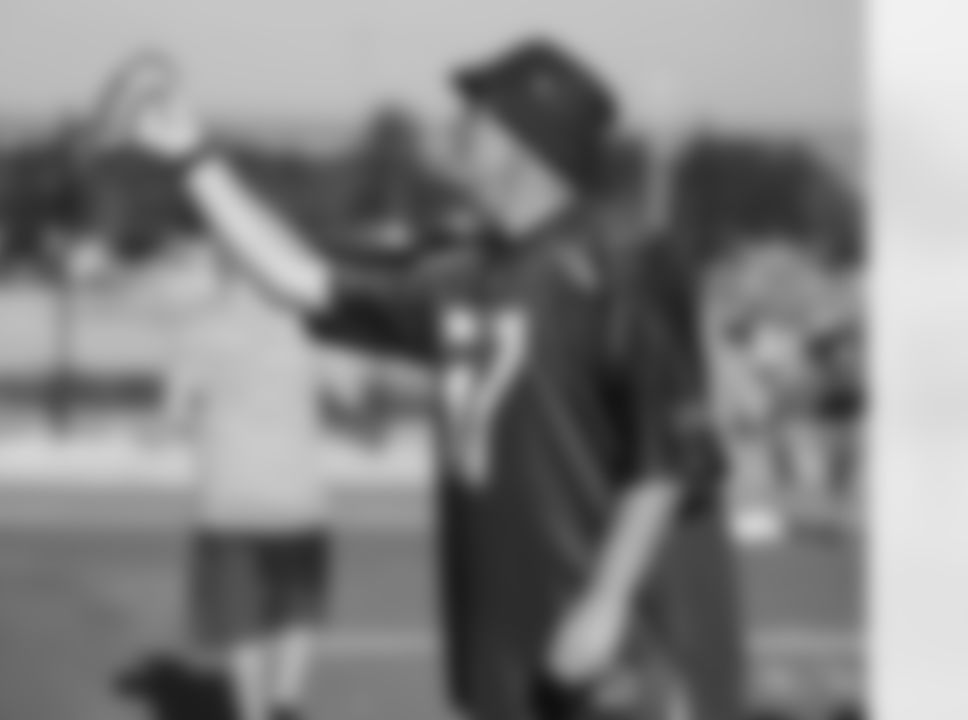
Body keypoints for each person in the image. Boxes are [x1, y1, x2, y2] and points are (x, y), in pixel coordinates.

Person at [122, 37, 745, 720]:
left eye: (476, 115)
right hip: (505, 640)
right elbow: (300, 278)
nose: (455, 128)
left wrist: (605, 602)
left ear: (523, 142)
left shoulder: (624, 265)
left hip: (613, 653)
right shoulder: (462, 270)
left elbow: (667, 460)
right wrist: (192, 159)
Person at [159, 240, 331, 720]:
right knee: (296, 611)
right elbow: (352, 394)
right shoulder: (306, 327)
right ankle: (286, 705)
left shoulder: (198, 330)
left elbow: (174, 415)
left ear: (222, 270)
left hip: (228, 500)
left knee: (243, 625)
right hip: (299, 498)